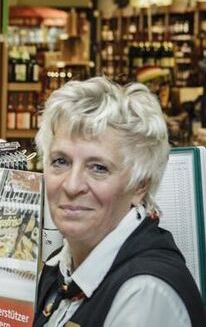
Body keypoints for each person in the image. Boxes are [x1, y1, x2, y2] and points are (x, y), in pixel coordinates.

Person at [33, 77, 205, 326]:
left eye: (98, 168)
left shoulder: (146, 295)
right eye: (61, 161)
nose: (71, 185)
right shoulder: (60, 265)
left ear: (139, 185)